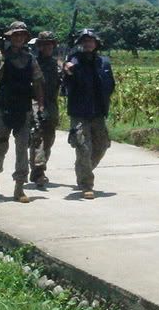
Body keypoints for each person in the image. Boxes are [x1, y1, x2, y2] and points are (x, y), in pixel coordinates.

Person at [0, 21, 44, 203]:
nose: (19, 38)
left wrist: (40, 105)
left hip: (23, 108)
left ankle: (19, 187)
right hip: (4, 108)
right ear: (10, 37)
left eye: (22, 35)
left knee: (22, 148)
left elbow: (38, 82)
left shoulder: (30, 58)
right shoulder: (1, 56)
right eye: (15, 35)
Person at [62, 29, 115, 199]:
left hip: (98, 112)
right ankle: (86, 184)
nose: (87, 44)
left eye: (90, 41)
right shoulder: (73, 61)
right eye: (84, 41)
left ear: (96, 43)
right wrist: (67, 71)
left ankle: (83, 169)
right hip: (79, 112)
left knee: (102, 145)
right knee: (83, 147)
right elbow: (66, 86)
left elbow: (110, 85)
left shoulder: (104, 63)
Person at [29, 31, 63, 188]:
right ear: (39, 46)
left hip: (52, 104)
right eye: (44, 44)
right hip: (34, 101)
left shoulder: (58, 65)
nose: (47, 47)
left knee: (49, 139)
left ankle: (37, 170)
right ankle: (39, 171)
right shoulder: (32, 62)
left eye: (50, 44)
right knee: (38, 135)